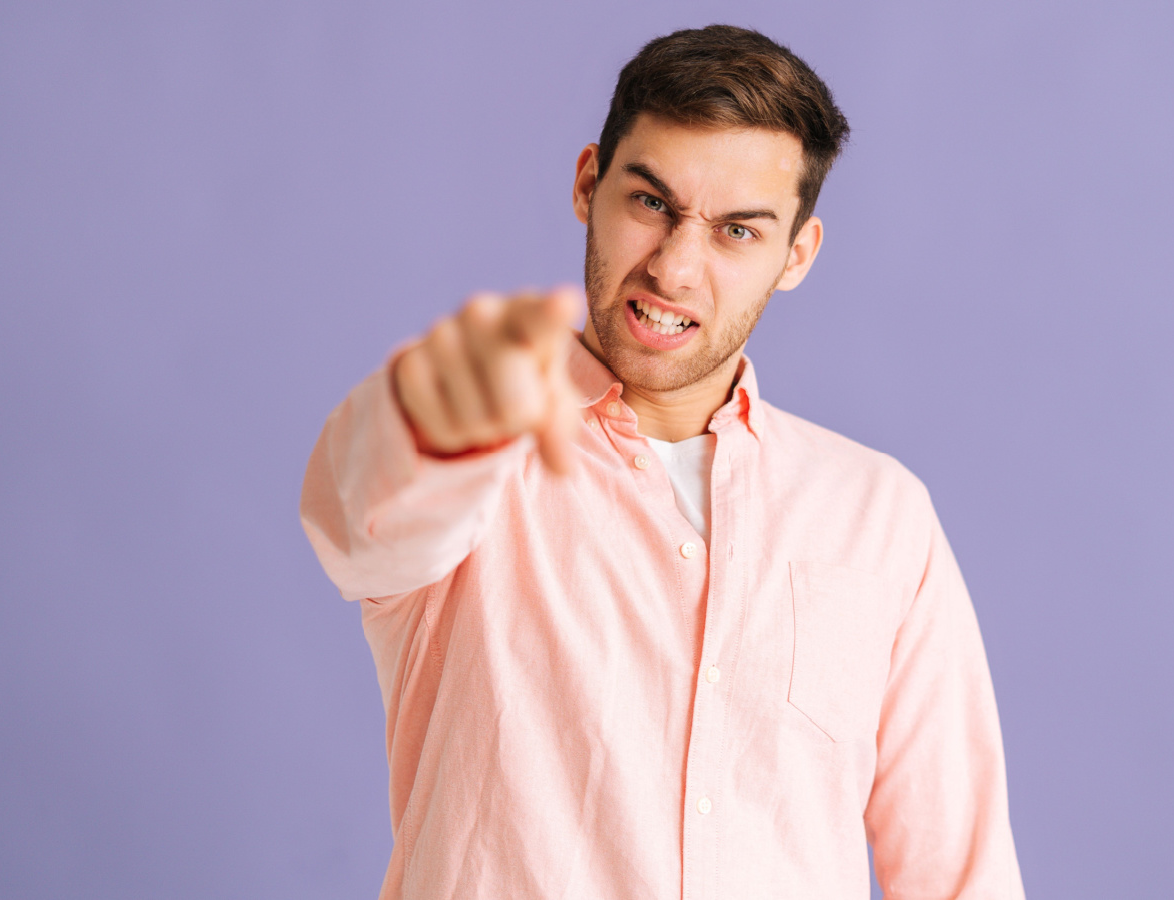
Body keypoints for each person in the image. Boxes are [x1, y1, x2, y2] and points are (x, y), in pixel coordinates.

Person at [300, 24, 1025, 900]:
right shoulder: (472, 463)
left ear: (797, 254)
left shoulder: (878, 517)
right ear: (587, 185)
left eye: (737, 232)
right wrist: (430, 414)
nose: (676, 268)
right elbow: (361, 521)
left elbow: (962, 875)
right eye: (651, 203)